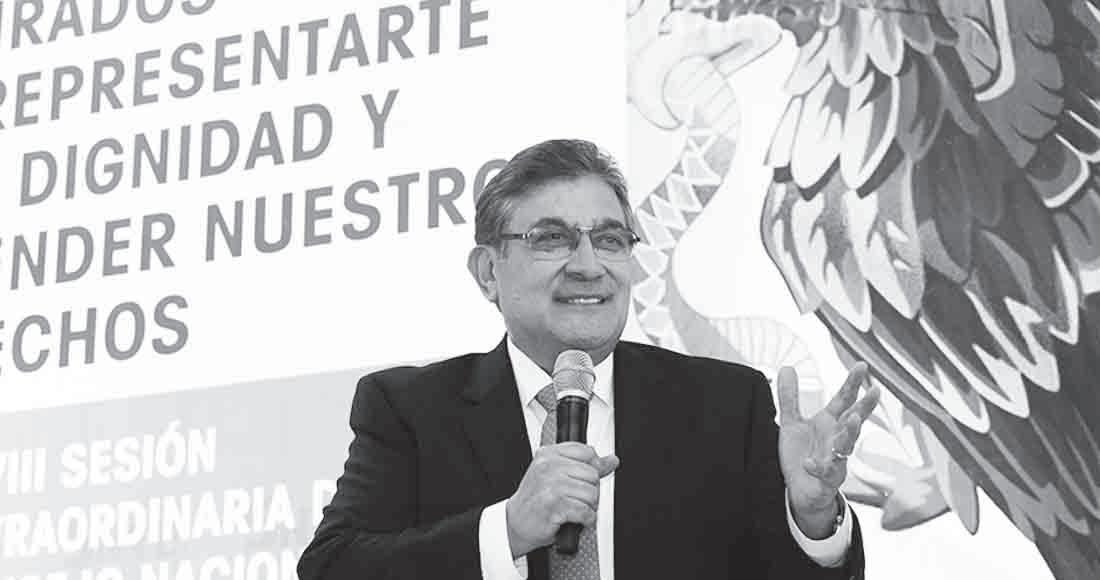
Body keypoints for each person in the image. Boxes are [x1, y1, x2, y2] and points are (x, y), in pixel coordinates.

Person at [297, 139, 880, 579]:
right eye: (551, 238)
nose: (588, 265)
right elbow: (331, 567)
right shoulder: (409, 409)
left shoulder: (725, 404)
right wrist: (508, 529)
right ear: (488, 271)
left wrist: (811, 518)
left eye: (609, 240)